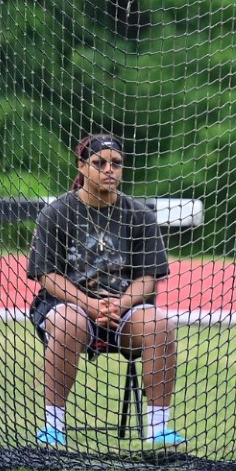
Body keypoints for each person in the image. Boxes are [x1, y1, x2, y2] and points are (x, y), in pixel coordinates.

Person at [26, 133, 183, 446]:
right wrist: (90, 304)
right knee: (69, 321)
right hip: (67, 309)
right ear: (82, 166)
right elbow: (47, 275)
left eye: (116, 163)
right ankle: (53, 427)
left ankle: (159, 430)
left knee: (160, 325)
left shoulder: (139, 215)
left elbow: (149, 278)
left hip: (123, 313)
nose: (109, 169)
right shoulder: (57, 213)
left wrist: (120, 304)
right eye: (99, 163)